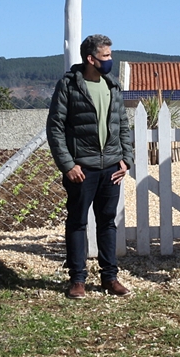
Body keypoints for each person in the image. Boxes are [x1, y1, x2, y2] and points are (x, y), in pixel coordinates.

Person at [46, 34, 134, 299]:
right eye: (106, 56)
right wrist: (67, 165)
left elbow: (124, 125)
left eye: (110, 55)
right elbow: (55, 128)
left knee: (108, 223)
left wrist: (126, 158)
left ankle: (110, 277)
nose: (110, 60)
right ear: (90, 59)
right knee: (77, 223)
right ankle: (77, 279)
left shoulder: (112, 85)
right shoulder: (69, 86)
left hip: (111, 168)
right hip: (81, 170)